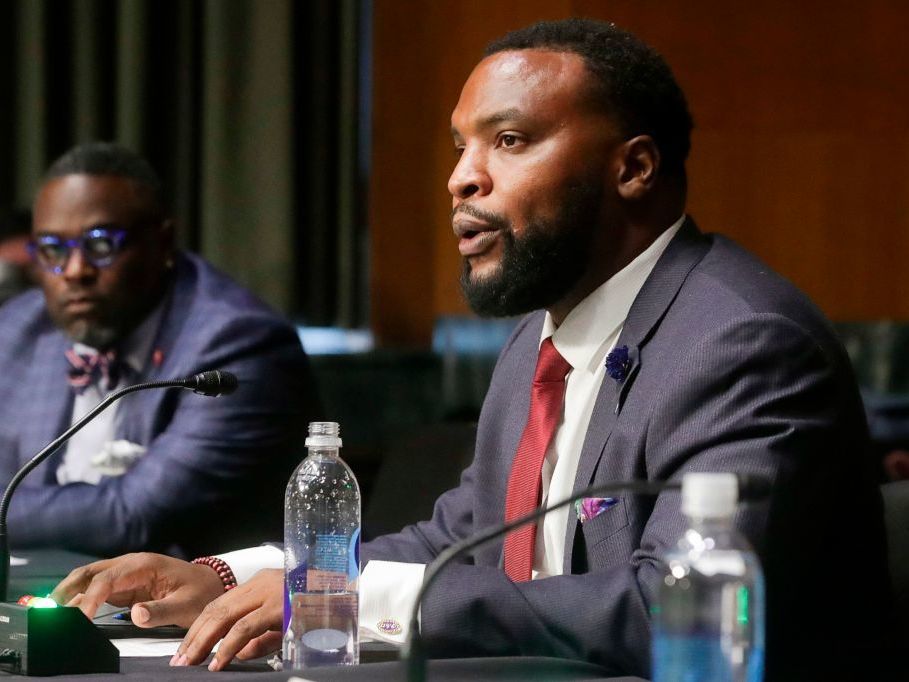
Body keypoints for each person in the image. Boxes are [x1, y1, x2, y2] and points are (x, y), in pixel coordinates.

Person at [52, 20, 891, 679]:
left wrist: (345, 599)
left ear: (633, 168)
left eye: (510, 141)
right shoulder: (540, 335)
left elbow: (668, 610)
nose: (462, 177)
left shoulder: (740, 343)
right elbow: (461, 540)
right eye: (461, 146)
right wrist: (237, 578)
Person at [0, 142, 319, 558]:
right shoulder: (21, 327)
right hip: (48, 585)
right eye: (53, 251)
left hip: (203, 608)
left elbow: (133, 515)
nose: (75, 271)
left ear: (163, 243)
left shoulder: (239, 342)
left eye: (100, 245)